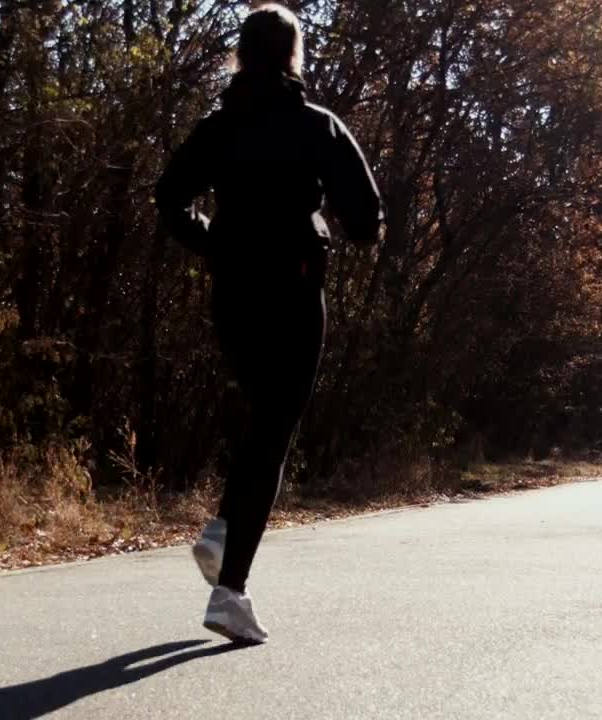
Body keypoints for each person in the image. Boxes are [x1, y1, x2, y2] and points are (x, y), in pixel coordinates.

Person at [155, 3, 384, 644]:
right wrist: (343, 225)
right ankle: (229, 582)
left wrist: (213, 242)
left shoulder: (217, 128)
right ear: (293, 57)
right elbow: (367, 221)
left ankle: (225, 536)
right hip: (293, 291)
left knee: (262, 418)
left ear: (240, 54)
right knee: (274, 428)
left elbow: (168, 196)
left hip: (232, 294)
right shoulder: (317, 126)